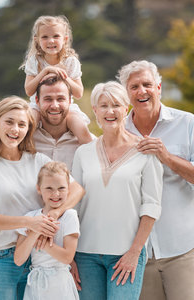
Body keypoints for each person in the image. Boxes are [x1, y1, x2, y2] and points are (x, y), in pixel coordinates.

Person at [117, 60, 194, 300]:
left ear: (159, 88)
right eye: (134, 87)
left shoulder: (188, 123)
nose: (142, 91)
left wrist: (167, 158)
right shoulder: (118, 132)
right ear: (126, 93)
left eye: (147, 84)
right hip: (138, 253)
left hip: (181, 248)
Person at [0, 96, 84, 300]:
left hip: (37, 259)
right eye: (9, 122)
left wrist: (54, 215)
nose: (15, 129)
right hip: (2, 259)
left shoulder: (38, 160)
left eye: (22, 124)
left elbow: (76, 190)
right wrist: (31, 223)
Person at [71, 81, 163, 299]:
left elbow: (151, 207)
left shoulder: (145, 152)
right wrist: (70, 255)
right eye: (103, 106)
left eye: (116, 105)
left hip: (125, 254)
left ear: (126, 109)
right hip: (85, 255)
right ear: (94, 110)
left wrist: (134, 252)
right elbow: (72, 206)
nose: (110, 111)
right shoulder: (82, 153)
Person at [20, 15, 92, 145]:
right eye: (45, 37)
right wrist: (44, 72)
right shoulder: (35, 61)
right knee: (27, 124)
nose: (51, 41)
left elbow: (79, 93)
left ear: (64, 39)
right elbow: (29, 91)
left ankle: (91, 156)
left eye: (56, 36)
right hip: (38, 105)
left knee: (80, 127)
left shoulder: (70, 61)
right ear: (37, 40)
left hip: (65, 106)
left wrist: (65, 78)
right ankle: (22, 155)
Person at [14, 161, 80, 300]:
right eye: (49, 188)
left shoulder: (69, 216)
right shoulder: (30, 218)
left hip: (60, 285)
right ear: (39, 189)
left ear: (68, 188)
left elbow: (67, 257)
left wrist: (42, 244)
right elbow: (19, 259)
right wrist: (36, 231)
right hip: (36, 284)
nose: (55, 194)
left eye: (61, 188)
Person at [33, 75, 95, 171]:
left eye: (60, 99)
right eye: (48, 99)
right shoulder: (25, 140)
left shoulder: (88, 142)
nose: (54, 105)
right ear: (37, 101)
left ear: (70, 101)